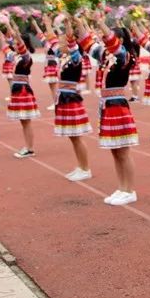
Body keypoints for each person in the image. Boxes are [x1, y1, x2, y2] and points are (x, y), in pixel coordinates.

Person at [78, 17, 139, 205]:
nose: (104, 41)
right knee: (115, 150)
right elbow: (87, 42)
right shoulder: (105, 56)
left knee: (123, 151)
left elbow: (110, 41)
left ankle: (130, 190)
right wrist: (77, 20)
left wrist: (99, 21)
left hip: (117, 105)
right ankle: (121, 187)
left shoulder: (125, 57)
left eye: (109, 39)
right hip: (106, 105)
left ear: (118, 40)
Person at [55, 19, 93, 182]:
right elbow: (50, 38)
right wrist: (55, 25)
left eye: (62, 41)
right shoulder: (63, 57)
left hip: (71, 99)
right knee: (72, 136)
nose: (59, 43)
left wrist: (70, 24)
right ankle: (80, 166)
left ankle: (85, 169)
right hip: (63, 99)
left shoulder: (76, 58)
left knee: (77, 135)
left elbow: (71, 43)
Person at [4, 20, 39, 158]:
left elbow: (20, 44)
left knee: (26, 120)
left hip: (23, 90)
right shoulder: (16, 56)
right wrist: (6, 28)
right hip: (17, 90)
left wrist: (16, 32)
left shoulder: (26, 57)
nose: (14, 44)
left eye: (17, 43)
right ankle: (28, 146)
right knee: (23, 121)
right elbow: (5, 46)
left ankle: (30, 148)